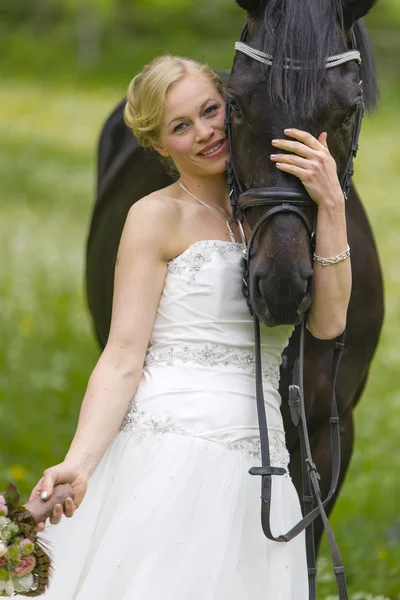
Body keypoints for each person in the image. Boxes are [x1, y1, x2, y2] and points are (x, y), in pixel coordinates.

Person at [22, 55, 351, 599]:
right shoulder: (154, 218)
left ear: (232, 106)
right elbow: (124, 354)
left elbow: (329, 322)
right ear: (158, 146)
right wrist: (78, 463)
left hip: (259, 460)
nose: (204, 133)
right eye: (181, 126)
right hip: (166, 452)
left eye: (210, 111)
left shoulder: (282, 212)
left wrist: (332, 204)